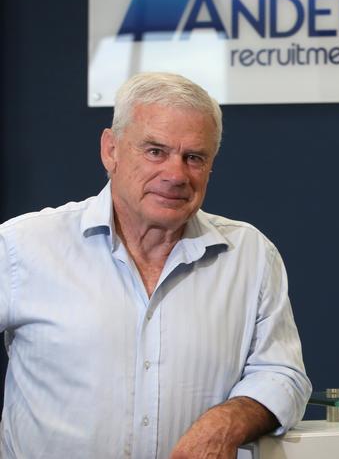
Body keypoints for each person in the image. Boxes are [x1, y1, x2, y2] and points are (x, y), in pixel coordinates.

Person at [0, 72, 311, 458]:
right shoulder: (22, 246)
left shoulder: (249, 255)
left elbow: (284, 374)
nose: (175, 174)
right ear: (110, 150)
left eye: (194, 158)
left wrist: (229, 420)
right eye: (155, 151)